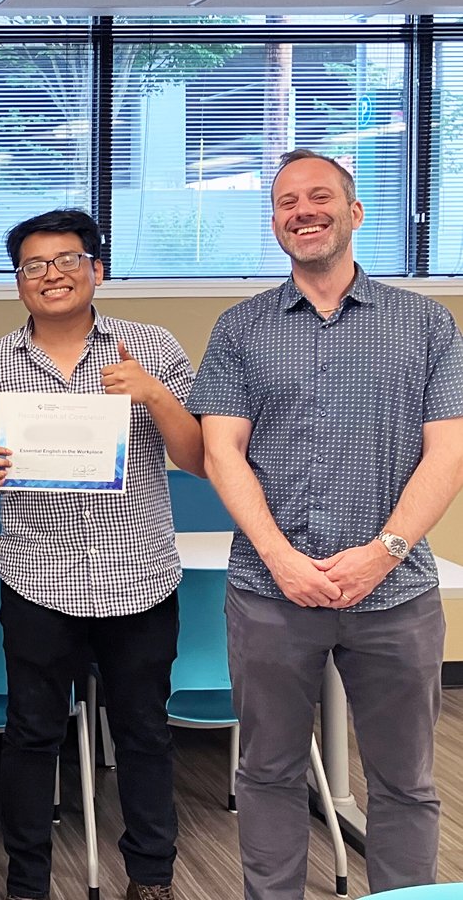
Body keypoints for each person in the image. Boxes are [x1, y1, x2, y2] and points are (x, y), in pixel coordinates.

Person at [188, 149, 463, 900]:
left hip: (395, 594)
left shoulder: (426, 324)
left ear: (354, 212)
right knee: (268, 772)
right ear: (273, 221)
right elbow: (221, 450)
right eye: (286, 202)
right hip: (270, 594)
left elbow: (449, 450)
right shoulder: (241, 328)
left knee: (404, 781)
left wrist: (385, 552)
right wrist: (278, 558)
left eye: (318, 197)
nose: (302, 212)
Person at [0, 209, 204, 900]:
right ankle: (27, 880)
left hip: (139, 576)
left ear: (97, 268)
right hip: (39, 578)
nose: (51, 276)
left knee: (145, 735)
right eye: (33, 266)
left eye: (67, 260)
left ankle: (151, 877)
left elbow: (198, 456)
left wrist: (152, 393)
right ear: (19, 283)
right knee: (31, 737)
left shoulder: (149, 346)